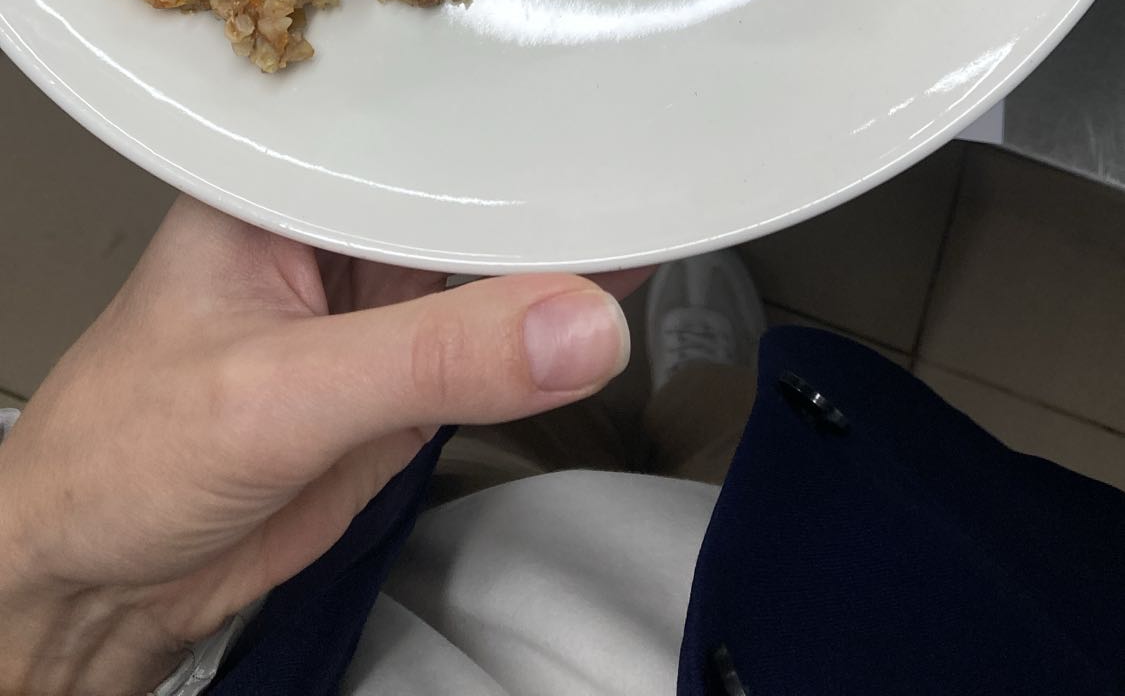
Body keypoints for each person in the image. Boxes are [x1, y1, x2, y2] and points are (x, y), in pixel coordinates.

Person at [3, 193, 1125, 696]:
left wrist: (72, 615)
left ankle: (667, 383)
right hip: (833, 635)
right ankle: (702, 390)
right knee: (759, 467)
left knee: (475, 456)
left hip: (340, 610)